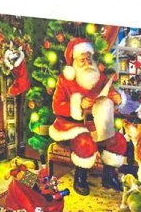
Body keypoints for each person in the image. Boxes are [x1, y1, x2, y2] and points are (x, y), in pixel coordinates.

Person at [50, 38, 128, 192]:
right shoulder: (65, 80)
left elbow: (111, 94)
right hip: (73, 127)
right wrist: (78, 104)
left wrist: (118, 98)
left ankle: (109, 176)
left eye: (89, 58)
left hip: (99, 125)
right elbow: (56, 106)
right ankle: (80, 177)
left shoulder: (100, 77)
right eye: (82, 60)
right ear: (74, 61)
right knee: (85, 143)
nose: (87, 62)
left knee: (118, 140)